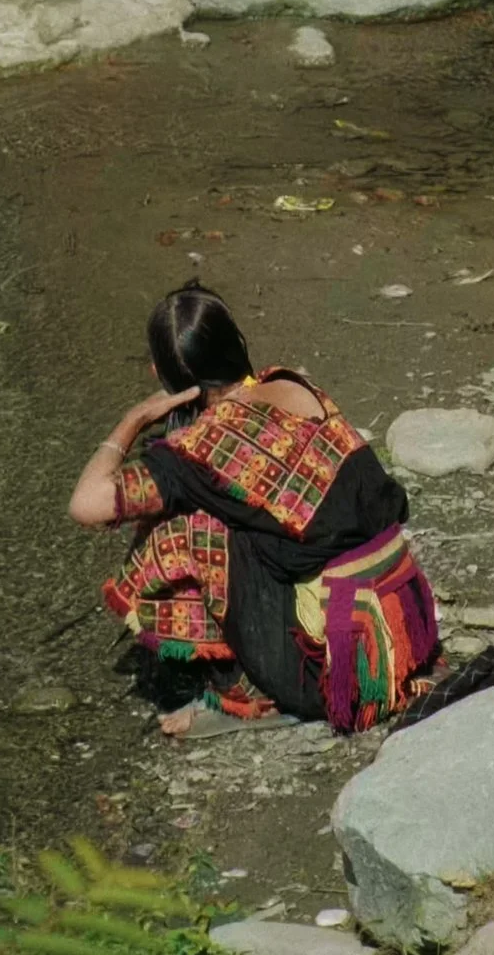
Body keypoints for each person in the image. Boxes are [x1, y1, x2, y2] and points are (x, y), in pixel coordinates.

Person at [67, 282, 441, 738]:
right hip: (404, 624)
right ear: (234, 344)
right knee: (244, 520)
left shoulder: (197, 451)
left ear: (161, 375)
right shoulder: (292, 384)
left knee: (181, 533)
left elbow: (87, 505)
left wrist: (135, 420)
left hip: (340, 677)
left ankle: (245, 694)